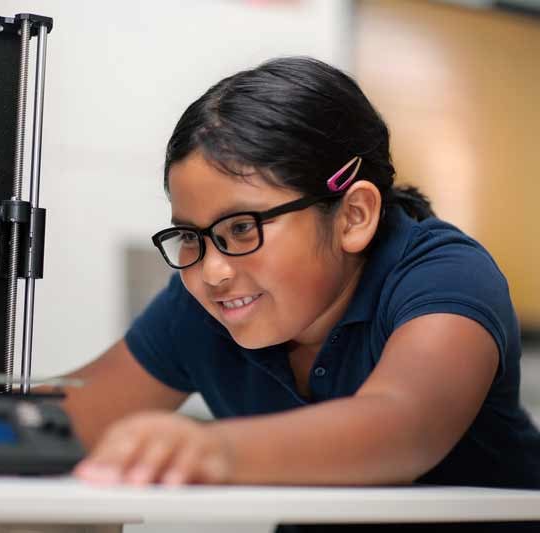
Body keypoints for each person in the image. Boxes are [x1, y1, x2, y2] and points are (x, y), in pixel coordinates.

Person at [59, 56, 540, 532]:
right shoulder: (202, 305)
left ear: (354, 215)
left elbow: (402, 430)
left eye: (243, 227)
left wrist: (213, 449)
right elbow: (60, 424)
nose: (213, 270)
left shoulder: (443, 275)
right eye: (190, 237)